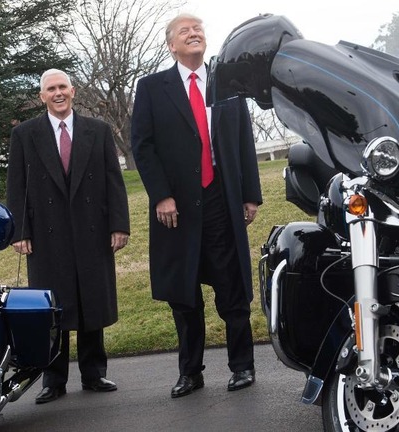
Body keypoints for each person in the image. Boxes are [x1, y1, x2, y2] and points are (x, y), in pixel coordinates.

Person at [131, 13, 262, 398]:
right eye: (185, 31)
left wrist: (250, 194)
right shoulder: (153, 87)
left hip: (221, 197)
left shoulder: (226, 85)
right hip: (177, 206)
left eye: (199, 29)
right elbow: (143, 145)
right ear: (171, 45)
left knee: (231, 287)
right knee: (183, 294)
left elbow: (244, 140)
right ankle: (191, 372)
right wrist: (161, 195)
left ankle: (242, 366)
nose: (194, 34)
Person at [6, 68, 131, 404]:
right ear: (41, 96)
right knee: (51, 307)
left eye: (62, 87)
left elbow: (113, 183)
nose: (58, 93)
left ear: (73, 91)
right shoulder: (25, 135)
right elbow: (16, 186)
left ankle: (94, 374)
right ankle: (53, 379)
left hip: (92, 228)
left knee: (91, 300)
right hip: (46, 232)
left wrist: (119, 225)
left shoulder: (98, 131)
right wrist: (19, 231)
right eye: (51, 89)